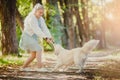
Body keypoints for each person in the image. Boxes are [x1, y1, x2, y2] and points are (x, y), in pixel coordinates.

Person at [19, 3, 53, 69]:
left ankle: (22, 68)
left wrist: (49, 36)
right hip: (27, 37)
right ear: (35, 11)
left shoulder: (41, 19)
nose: (41, 14)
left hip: (34, 37)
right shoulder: (31, 18)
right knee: (39, 49)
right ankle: (40, 68)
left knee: (33, 55)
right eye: (40, 12)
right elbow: (37, 30)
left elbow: (44, 28)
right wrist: (46, 38)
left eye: (42, 13)